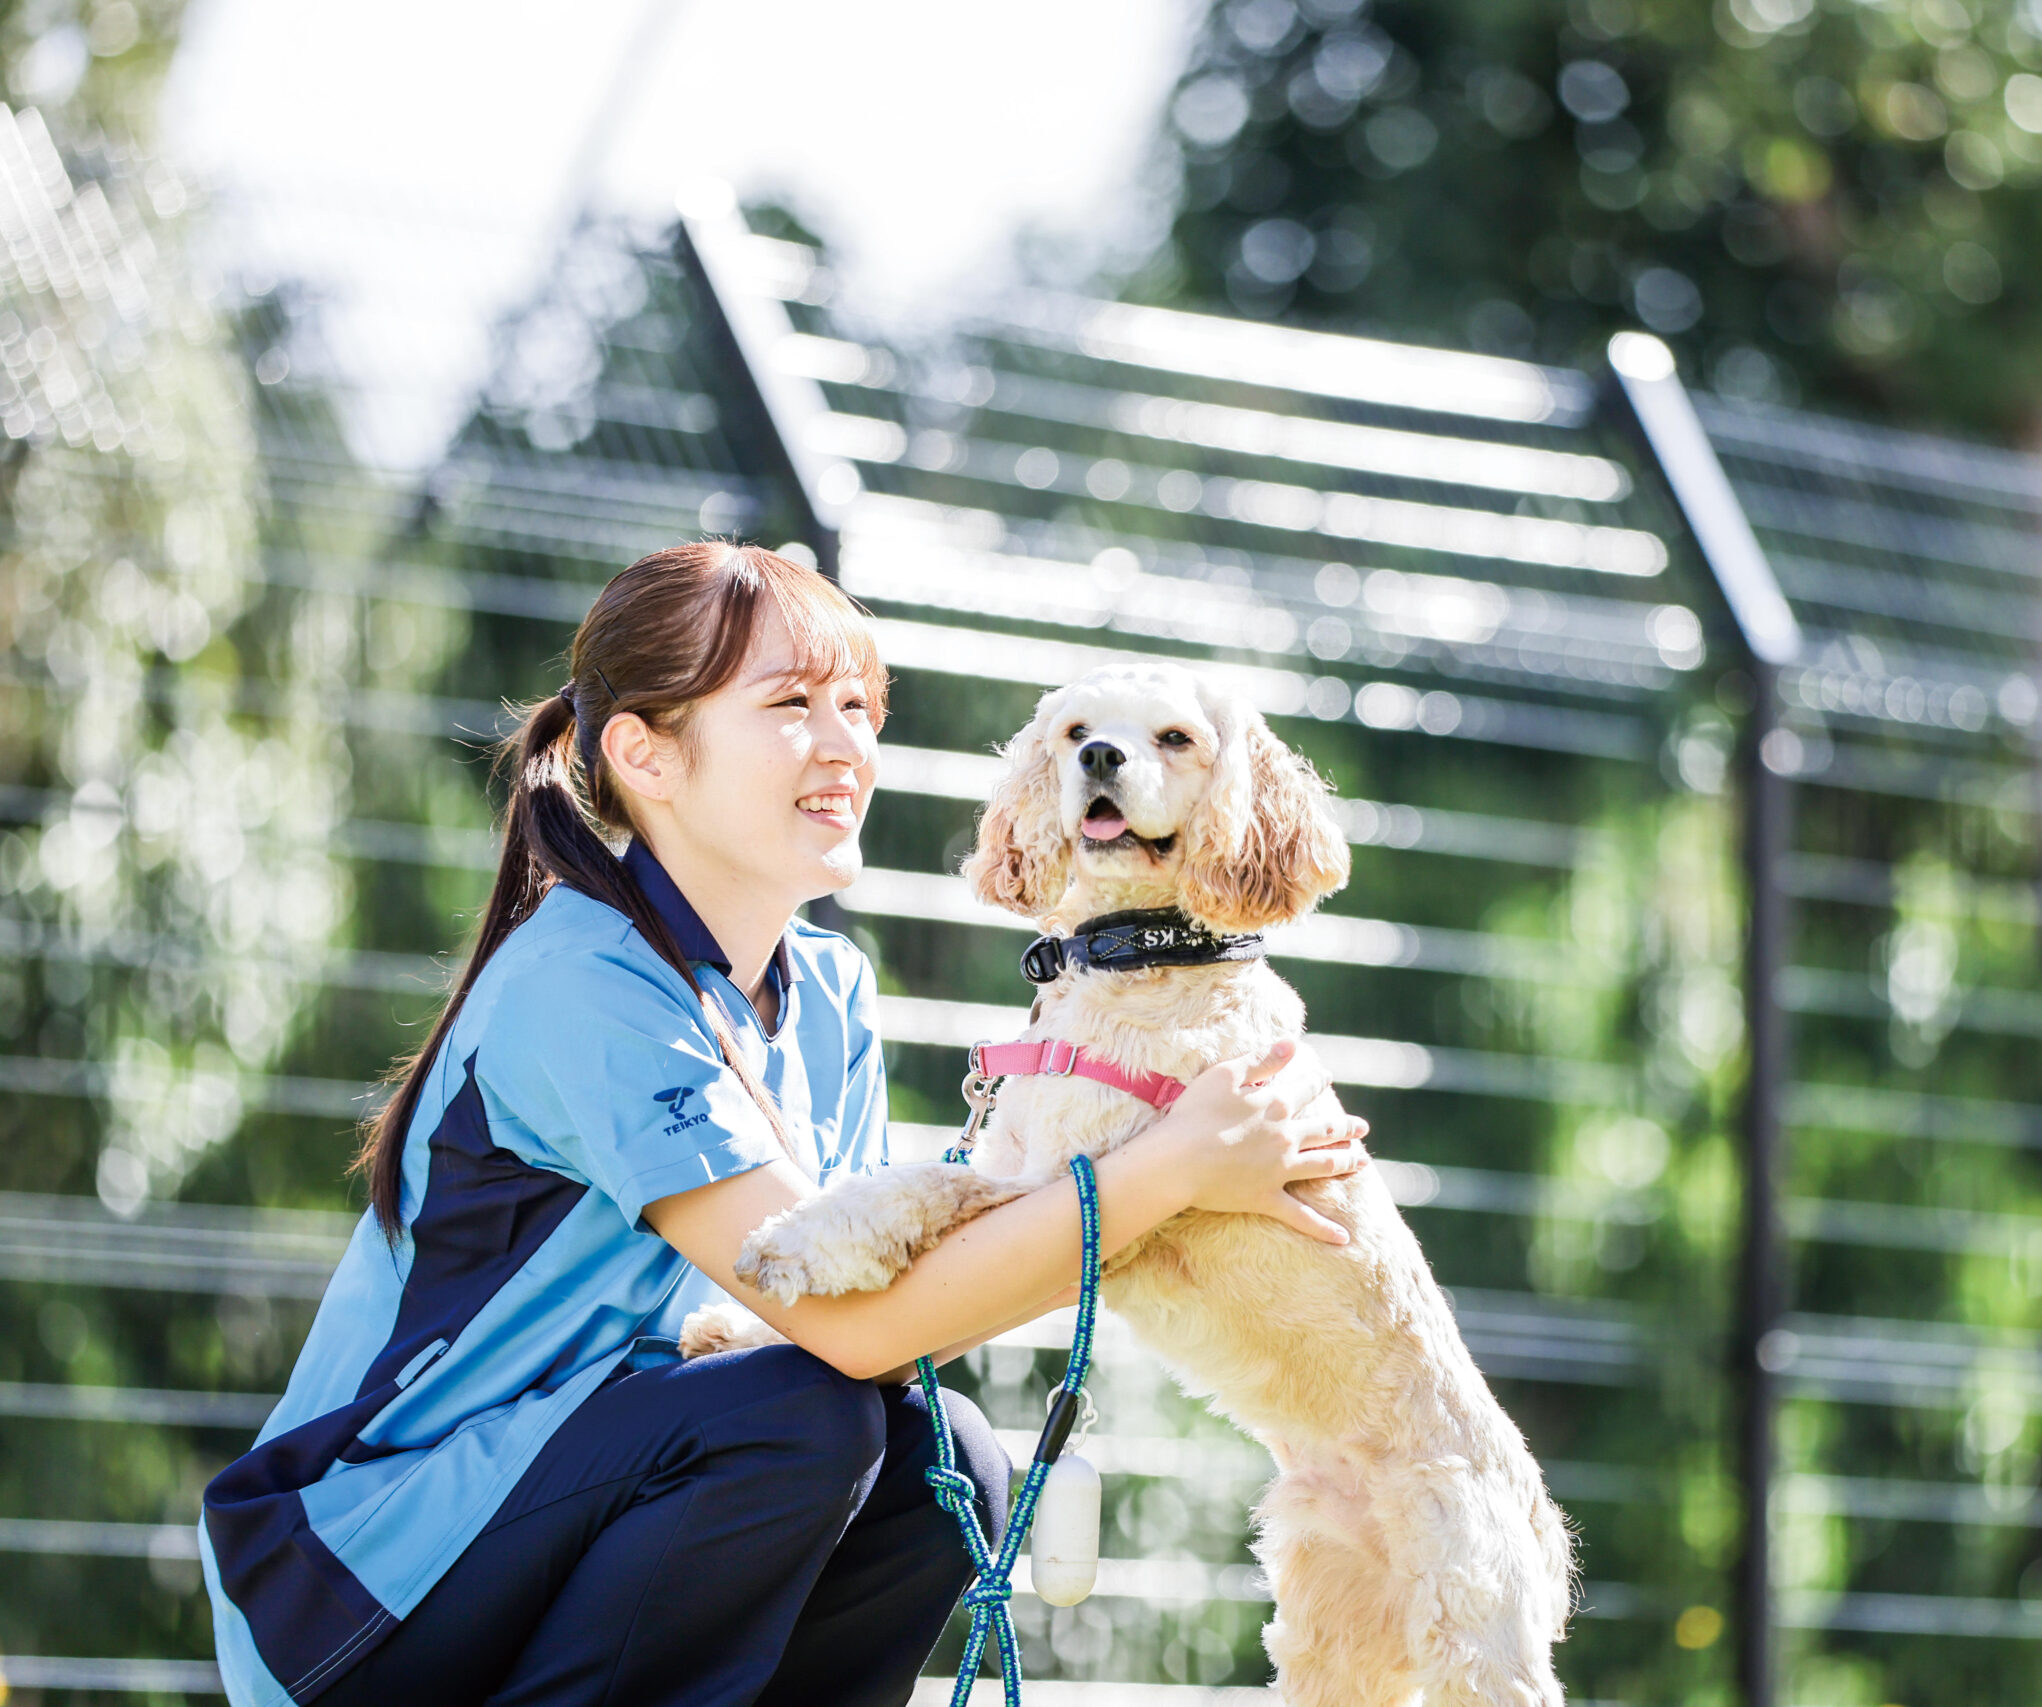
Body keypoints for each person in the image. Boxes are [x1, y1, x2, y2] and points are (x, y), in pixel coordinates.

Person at [196, 543, 1368, 1707]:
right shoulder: (580, 978)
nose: (845, 745)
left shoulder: (828, 994)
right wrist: (1170, 1168)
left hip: (577, 1517)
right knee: (800, 1418)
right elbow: (842, 1334)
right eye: (792, 706)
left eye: (858, 707)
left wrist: (1176, 1175)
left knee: (940, 1457)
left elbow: (875, 1318)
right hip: (356, 1584)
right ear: (644, 754)